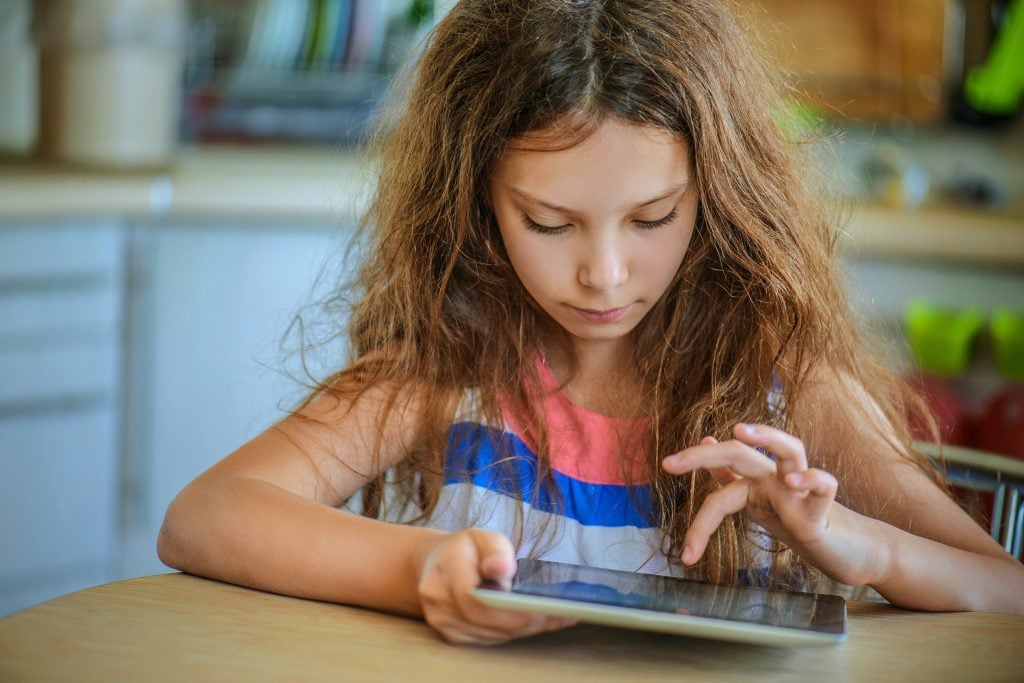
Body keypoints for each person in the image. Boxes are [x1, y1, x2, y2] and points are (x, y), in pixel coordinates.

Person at [157, 0, 1024, 645]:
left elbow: (1004, 586)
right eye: (548, 222)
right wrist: (419, 567)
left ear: (716, 199)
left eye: (652, 219)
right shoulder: (450, 364)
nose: (604, 273)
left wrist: (855, 547)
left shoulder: (785, 383)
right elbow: (204, 515)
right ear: (477, 206)